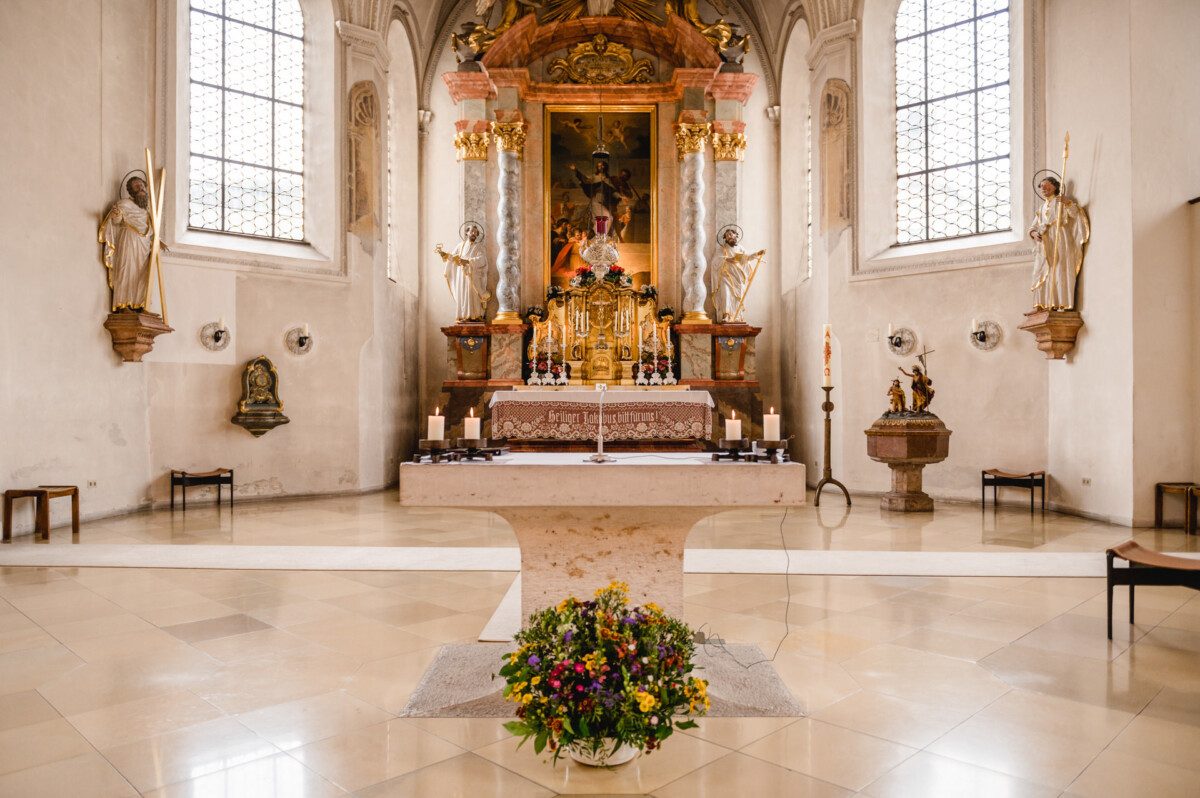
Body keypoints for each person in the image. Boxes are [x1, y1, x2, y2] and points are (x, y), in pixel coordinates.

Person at [1029, 176, 1090, 311]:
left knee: (1060, 269)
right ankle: (1042, 304)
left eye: (1047, 185)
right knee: (1042, 270)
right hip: (1044, 242)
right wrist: (1033, 233)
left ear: (1055, 187)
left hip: (1059, 238)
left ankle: (1062, 303)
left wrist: (1068, 203)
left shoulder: (1061, 201)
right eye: (1041, 186)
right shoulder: (1041, 208)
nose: (1043, 188)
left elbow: (1074, 214)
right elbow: (1033, 226)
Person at [98, 176, 156, 312]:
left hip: (144, 246)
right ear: (131, 190)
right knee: (126, 270)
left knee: (142, 275)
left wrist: (158, 242)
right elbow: (116, 222)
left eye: (142, 185)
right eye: (136, 186)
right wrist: (116, 214)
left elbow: (151, 231)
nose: (140, 188)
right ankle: (123, 304)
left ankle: (140, 304)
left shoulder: (147, 211)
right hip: (128, 241)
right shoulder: (124, 204)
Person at [436, 224, 489, 322]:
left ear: (477, 234)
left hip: (473, 275)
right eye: (471, 231)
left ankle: (477, 315)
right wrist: (446, 255)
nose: (473, 233)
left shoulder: (479, 247)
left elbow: (482, 260)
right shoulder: (460, 246)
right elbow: (454, 258)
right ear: (467, 232)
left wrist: (468, 261)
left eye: (475, 232)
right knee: (463, 294)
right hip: (461, 276)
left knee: (473, 294)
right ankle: (465, 316)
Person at [710, 227, 764, 323]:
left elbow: (747, 257)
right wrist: (726, 259)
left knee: (737, 297)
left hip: (738, 277)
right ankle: (726, 315)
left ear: (736, 235)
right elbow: (715, 260)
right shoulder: (722, 248)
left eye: (731, 234)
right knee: (726, 293)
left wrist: (757, 254)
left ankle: (736, 316)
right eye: (727, 235)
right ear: (725, 238)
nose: (729, 236)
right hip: (726, 276)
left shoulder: (740, 248)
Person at [568, 158, 619, 234]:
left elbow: (613, 190)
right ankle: (598, 236)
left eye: (602, 166)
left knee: (609, 219)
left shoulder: (607, 179)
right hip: (596, 202)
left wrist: (620, 196)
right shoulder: (595, 177)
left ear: (605, 167)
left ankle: (600, 236)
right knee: (603, 219)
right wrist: (575, 170)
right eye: (599, 166)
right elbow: (584, 179)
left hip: (604, 203)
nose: (600, 167)